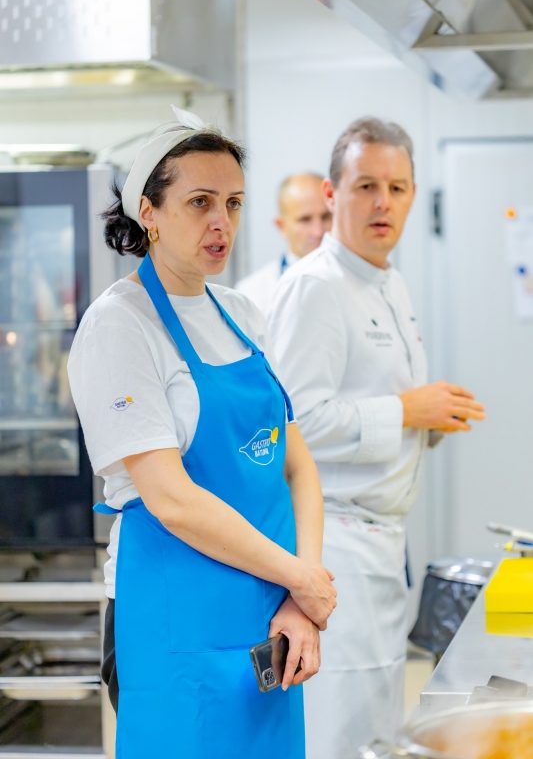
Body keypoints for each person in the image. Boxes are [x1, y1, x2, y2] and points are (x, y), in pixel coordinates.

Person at [67, 108, 337, 759]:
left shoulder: (242, 313)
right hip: (177, 617)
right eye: (199, 202)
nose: (222, 222)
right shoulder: (119, 326)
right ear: (149, 212)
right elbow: (172, 499)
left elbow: (296, 466)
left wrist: (300, 596)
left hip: (269, 609)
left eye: (233, 203)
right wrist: (300, 577)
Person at [267, 117, 485, 757]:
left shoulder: (387, 281)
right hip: (337, 545)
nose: (383, 202)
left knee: (378, 730)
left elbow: (370, 403)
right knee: (343, 734)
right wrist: (407, 410)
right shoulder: (316, 287)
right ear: (332, 193)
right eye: (366, 185)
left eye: (397, 187)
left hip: (382, 545)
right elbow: (295, 427)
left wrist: (428, 421)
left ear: (413, 195)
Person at [236, 172, 331, 313]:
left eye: (326, 216)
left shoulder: (358, 278)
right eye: (305, 220)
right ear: (281, 226)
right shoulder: (251, 294)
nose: (318, 232)